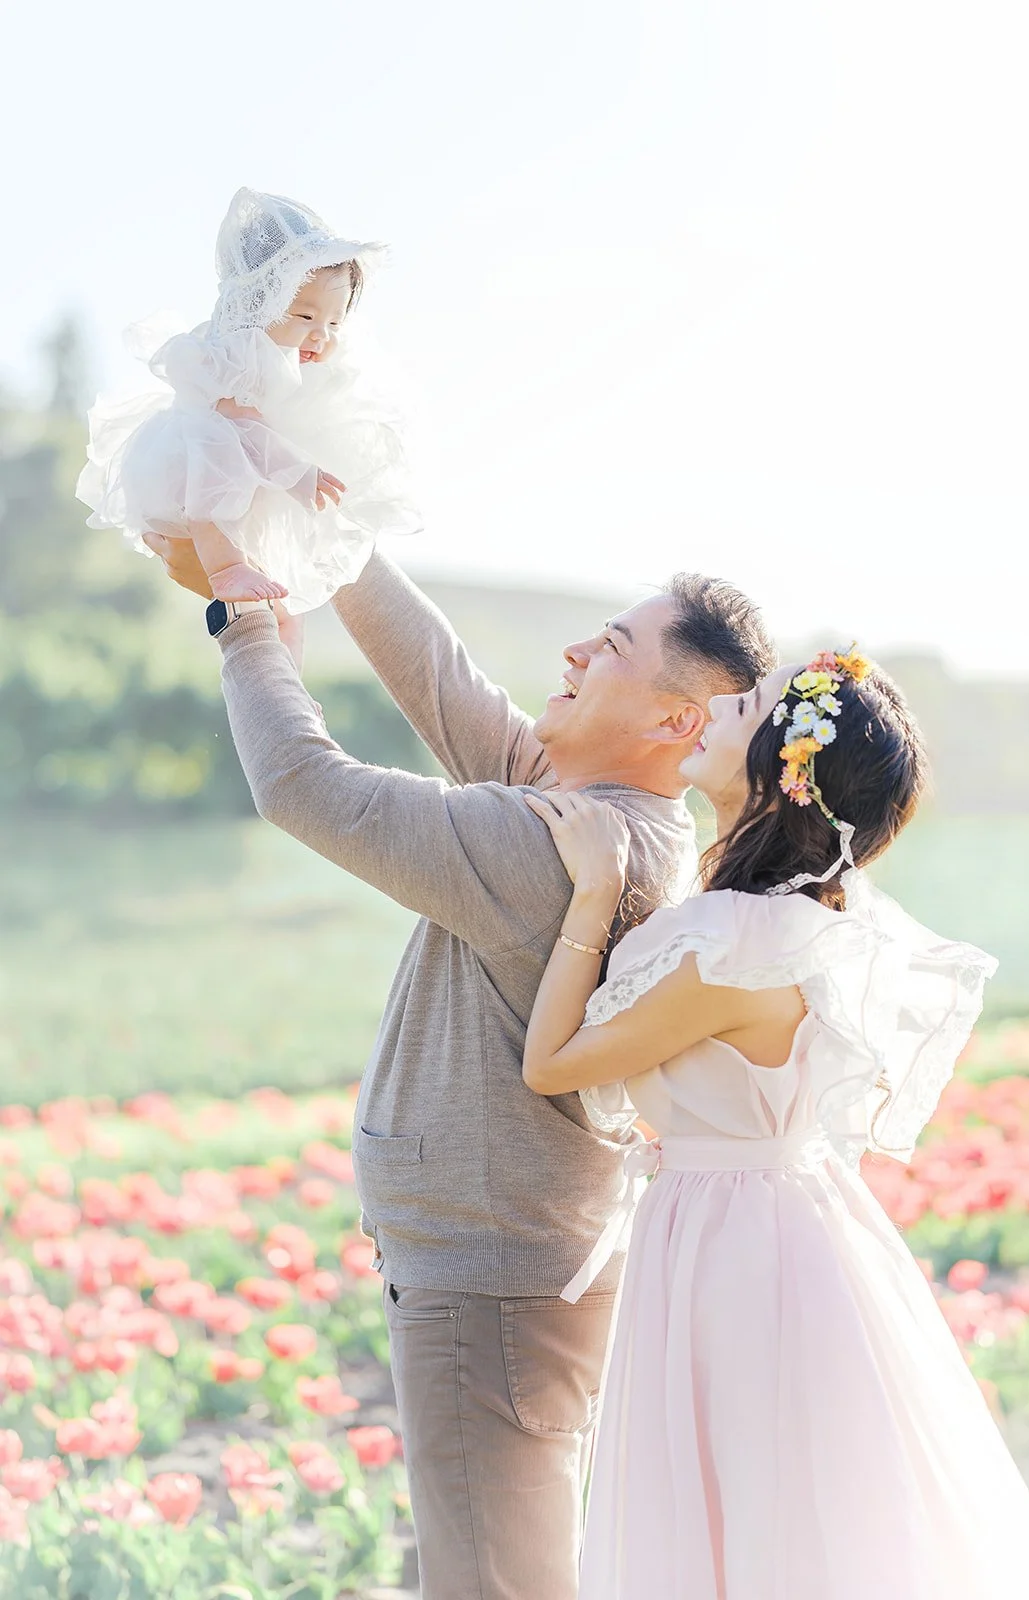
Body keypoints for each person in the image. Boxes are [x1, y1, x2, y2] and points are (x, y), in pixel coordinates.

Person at [143, 528, 775, 1600]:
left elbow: (304, 784)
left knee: (492, 1584)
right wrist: (320, 517)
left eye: (613, 647)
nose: (575, 652)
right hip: (512, 1265)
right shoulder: (608, 820)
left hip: (490, 1281)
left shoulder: (551, 843)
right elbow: (441, 682)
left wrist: (245, 620)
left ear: (677, 720)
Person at [522, 648, 1029, 1599]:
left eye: (751, 704)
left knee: (752, 1494)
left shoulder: (732, 937)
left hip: (733, 1241)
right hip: (794, 1220)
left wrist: (595, 897)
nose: (724, 704)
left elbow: (552, 1067)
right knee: (803, 1498)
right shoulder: (803, 917)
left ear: (788, 768)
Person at [77, 187, 419, 610]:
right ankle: (224, 568)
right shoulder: (240, 359)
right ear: (261, 305)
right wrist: (298, 473)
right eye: (305, 317)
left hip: (248, 476)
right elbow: (244, 430)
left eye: (334, 321)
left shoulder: (294, 363)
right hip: (201, 464)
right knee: (219, 475)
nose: (321, 335)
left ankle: (276, 632)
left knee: (282, 602)